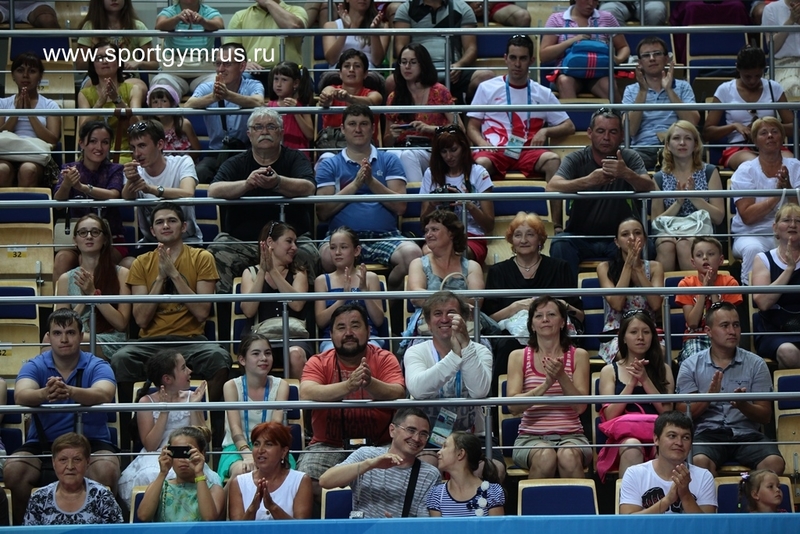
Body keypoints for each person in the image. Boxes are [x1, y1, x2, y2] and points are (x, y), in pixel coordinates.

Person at [109, 202, 232, 426]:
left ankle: (210, 429)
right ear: (153, 230)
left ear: (184, 226)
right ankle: (127, 432)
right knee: (120, 359)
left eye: (172, 220)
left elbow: (202, 312)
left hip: (191, 341)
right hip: (150, 343)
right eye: (159, 222)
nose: (165, 225)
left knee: (219, 358)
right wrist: (160, 278)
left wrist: (174, 274)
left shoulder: (202, 257)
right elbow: (141, 319)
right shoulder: (141, 263)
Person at [3, 309, 118, 525]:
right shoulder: (34, 365)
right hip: (43, 444)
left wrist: (69, 391)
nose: (64, 339)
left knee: (107, 468)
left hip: (92, 442)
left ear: (81, 335)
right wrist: (45, 394)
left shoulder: (97, 364)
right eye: (57, 333)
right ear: (48, 336)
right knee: (13, 470)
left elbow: (104, 393)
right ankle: (27, 529)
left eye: (70, 333)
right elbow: (21, 394)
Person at [298, 304, 406, 500]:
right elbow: (306, 392)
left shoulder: (384, 358)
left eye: (355, 326)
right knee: (306, 480)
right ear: (331, 335)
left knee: (399, 476)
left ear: (368, 331)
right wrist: (348, 386)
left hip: (380, 445)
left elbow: (398, 391)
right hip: (328, 445)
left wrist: (369, 382)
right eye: (341, 327)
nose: (348, 333)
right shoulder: (318, 361)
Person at [467, 34, 575, 230]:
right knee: (479, 165)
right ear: (505, 58)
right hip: (495, 150)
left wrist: (546, 131)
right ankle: (478, 225)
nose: (517, 64)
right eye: (513, 58)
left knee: (553, 161)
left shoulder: (543, 93)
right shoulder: (486, 88)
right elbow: (472, 126)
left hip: (528, 150)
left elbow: (569, 126)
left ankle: (557, 226)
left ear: (531, 60)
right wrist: (481, 143)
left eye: (523, 58)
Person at [207, 107, 318, 295]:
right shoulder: (236, 162)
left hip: (290, 242)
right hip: (243, 243)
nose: (264, 132)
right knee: (215, 252)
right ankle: (227, 312)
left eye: (271, 127)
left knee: (309, 253)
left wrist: (278, 182)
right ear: (249, 134)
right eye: (258, 127)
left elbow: (309, 187)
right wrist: (246, 184)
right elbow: (213, 190)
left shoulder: (295, 158)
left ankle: (304, 310)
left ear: (281, 133)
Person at [316, 104, 421, 291]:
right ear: (342, 129)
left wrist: (371, 182)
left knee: (413, 255)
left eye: (363, 124)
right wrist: (356, 185)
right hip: (341, 238)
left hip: (386, 236)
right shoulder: (329, 164)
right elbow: (322, 212)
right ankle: (343, 303)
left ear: (373, 129)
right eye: (352, 124)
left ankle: (387, 298)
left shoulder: (389, 160)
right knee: (327, 256)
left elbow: (400, 207)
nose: (358, 129)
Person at [676, 302, 786, 477]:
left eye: (736, 325)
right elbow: (683, 414)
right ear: (708, 331)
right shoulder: (690, 365)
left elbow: (765, 416)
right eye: (725, 325)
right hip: (707, 434)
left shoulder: (756, 364)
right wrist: (708, 398)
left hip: (747, 434)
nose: (732, 331)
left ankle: (749, 492)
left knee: (775, 463)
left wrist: (743, 406)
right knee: (698, 463)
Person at [547, 107, 654, 286]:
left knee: (646, 245)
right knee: (559, 244)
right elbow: (552, 187)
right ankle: (568, 300)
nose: (606, 137)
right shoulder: (576, 158)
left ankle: (634, 300)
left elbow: (650, 187)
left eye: (613, 132)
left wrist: (626, 173)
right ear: (590, 133)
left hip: (619, 237)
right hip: (579, 236)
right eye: (600, 131)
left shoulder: (629, 157)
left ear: (621, 135)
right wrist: (588, 181)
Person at [403, 292, 504, 478]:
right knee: (426, 470)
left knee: (493, 470)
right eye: (437, 313)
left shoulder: (481, 349)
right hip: (428, 436)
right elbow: (418, 390)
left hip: (473, 434)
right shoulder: (415, 351)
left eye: (451, 313)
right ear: (428, 321)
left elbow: (480, 391)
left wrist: (466, 346)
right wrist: (455, 357)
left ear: (464, 318)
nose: (444, 319)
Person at [483, 212, 583, 381]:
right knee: (507, 346)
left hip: (553, 333)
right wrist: (514, 308)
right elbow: (488, 320)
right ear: (511, 240)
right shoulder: (497, 272)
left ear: (540, 239)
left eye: (530, 234)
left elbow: (580, 316)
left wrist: (562, 305)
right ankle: (502, 396)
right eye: (518, 235)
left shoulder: (560, 267)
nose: (523, 240)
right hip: (511, 338)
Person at [506, 297, 591, 479]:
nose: (545, 319)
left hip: (572, 436)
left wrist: (561, 376)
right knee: (545, 457)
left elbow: (580, 407)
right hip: (530, 438)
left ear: (563, 322)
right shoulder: (517, 356)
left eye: (551, 314)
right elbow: (513, 407)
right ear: (532, 325)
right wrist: (546, 385)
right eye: (539, 316)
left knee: (568, 457)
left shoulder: (579, 355)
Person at [118, 350, 215, 507]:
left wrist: (193, 406)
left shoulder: (191, 397)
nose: (190, 371)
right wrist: (164, 411)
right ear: (167, 379)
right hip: (157, 454)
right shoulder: (146, 402)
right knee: (152, 474)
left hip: (188, 454)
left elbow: (203, 438)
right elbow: (151, 445)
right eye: (183, 368)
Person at [318, 407, 441, 518]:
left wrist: (397, 528)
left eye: (423, 434)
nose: (416, 438)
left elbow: (424, 525)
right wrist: (370, 465)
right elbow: (325, 481)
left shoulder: (429, 474)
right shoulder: (366, 455)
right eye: (411, 430)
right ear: (392, 430)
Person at [597, 311, 674, 481]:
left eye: (646, 332)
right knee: (633, 446)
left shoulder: (664, 369)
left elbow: (667, 413)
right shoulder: (609, 371)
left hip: (658, 434)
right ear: (623, 338)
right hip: (623, 438)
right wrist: (632, 382)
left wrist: (645, 380)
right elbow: (610, 415)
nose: (640, 337)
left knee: (666, 447)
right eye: (633, 332)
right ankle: (629, 498)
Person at [46, 214, 130, 361]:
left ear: (105, 239)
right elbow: (61, 325)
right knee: (52, 339)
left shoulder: (122, 274)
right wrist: (83, 300)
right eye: (83, 232)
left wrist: (93, 294)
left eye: (95, 232)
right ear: (75, 240)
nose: (89, 236)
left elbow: (121, 324)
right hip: (74, 335)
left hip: (109, 339)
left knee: (62, 341)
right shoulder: (66, 278)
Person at [52, 121, 125, 283]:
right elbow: (58, 205)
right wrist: (67, 184)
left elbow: (113, 195)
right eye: (93, 141)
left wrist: (83, 187)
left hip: (110, 239)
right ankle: (60, 300)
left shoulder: (115, 169)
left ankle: (97, 299)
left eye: (105, 142)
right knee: (63, 259)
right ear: (81, 143)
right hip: (77, 239)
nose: (99, 147)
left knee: (89, 260)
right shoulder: (69, 168)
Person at [730, 117, 800, 285]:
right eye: (763, 133)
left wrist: (788, 188)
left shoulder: (796, 167)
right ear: (755, 141)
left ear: (782, 138)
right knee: (753, 249)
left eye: (774, 131)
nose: (770, 135)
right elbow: (747, 217)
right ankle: (753, 296)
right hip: (753, 234)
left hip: (791, 232)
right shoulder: (745, 170)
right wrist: (777, 194)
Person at [185, 43, 266, 184]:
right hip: (216, 153)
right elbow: (188, 105)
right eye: (218, 64)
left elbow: (259, 102)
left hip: (246, 152)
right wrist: (213, 97)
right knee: (198, 175)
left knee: (258, 177)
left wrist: (228, 95)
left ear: (242, 66)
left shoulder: (253, 85)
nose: (221, 69)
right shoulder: (207, 87)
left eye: (227, 64)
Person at [121, 119, 203, 259]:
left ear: (160, 144)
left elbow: (188, 193)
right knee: (127, 264)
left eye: (142, 146)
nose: (137, 153)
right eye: (133, 148)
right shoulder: (135, 171)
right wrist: (130, 179)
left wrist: (151, 189)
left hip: (187, 242)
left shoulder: (183, 162)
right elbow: (126, 198)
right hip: (151, 244)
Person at [703, 46, 794, 171]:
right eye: (747, 76)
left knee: (790, 163)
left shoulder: (774, 88)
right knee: (754, 166)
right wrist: (734, 126)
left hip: (772, 145)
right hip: (738, 148)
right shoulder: (725, 90)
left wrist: (768, 127)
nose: (752, 81)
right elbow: (707, 133)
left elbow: (794, 128)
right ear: (738, 69)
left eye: (758, 76)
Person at [240, 221, 311, 379]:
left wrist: (273, 271)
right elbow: (249, 311)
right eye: (289, 241)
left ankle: (299, 396)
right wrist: (262, 272)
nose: (294, 247)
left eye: (295, 242)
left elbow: (297, 304)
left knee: (296, 355)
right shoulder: (250, 273)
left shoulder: (299, 273)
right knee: (256, 355)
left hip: (293, 337)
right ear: (270, 242)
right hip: (260, 337)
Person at [651, 121, 725, 271]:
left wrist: (693, 197)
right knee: (666, 245)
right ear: (667, 145)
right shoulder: (659, 177)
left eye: (688, 138)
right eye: (676, 138)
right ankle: (663, 287)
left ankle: (695, 287)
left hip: (701, 231)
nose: (682, 143)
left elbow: (718, 217)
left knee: (685, 244)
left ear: (696, 145)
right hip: (669, 231)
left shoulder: (709, 172)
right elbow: (656, 223)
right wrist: (678, 203)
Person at [391, 0, 495, 104]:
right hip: (418, 69)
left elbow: (471, 48)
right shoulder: (406, 9)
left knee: (486, 77)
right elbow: (401, 46)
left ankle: (469, 111)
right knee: (391, 82)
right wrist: (417, 67)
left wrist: (460, 64)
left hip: (452, 71)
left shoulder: (462, 8)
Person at [384, 43, 460, 184]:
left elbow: (459, 128)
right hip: (401, 147)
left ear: (423, 65)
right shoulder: (393, 97)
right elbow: (386, 142)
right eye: (403, 62)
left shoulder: (440, 92)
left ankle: (419, 195)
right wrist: (392, 136)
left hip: (432, 149)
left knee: (407, 156)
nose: (407, 67)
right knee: (391, 155)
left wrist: (431, 129)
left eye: (413, 62)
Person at [220, 333, 289, 480]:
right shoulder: (231, 386)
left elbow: (275, 425)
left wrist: (262, 452)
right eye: (256, 354)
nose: (263, 358)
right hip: (237, 448)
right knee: (242, 472)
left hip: (271, 445)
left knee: (278, 473)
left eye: (267, 353)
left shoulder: (282, 385)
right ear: (242, 360)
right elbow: (235, 428)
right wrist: (247, 454)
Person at [623, 38, 700, 170]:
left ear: (666, 59)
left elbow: (692, 122)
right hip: (643, 149)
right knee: (625, 164)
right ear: (639, 63)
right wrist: (642, 91)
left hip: (677, 147)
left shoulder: (683, 87)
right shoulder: (631, 90)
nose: (652, 59)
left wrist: (669, 90)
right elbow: (630, 130)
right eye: (646, 55)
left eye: (657, 54)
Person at [619, 410, 717, 514]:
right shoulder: (634, 474)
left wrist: (685, 495)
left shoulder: (704, 477)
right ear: (656, 439)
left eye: (686, 437)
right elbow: (628, 521)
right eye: (672, 436)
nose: (679, 443)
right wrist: (667, 500)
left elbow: (707, 523)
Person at [420, 126, 493, 264]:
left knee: (454, 253)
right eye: (444, 151)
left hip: (471, 236)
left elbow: (489, 226)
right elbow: (422, 223)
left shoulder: (479, 173)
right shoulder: (431, 174)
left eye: (453, 150)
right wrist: (432, 205)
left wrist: (468, 204)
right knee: (429, 252)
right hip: (438, 234)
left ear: (463, 148)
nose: (449, 156)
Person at [597, 218, 664, 363]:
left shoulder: (655, 267)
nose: (632, 238)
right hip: (617, 331)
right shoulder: (604, 268)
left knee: (660, 352)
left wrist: (638, 269)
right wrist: (628, 266)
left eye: (637, 233)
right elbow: (617, 304)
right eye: (625, 234)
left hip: (646, 329)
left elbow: (656, 304)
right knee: (627, 354)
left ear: (644, 239)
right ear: (617, 242)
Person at [23, 433, 123, 525]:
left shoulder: (102, 496)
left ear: (87, 462)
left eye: (77, 459)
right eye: (63, 460)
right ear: (53, 463)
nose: (70, 466)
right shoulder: (39, 498)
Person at [314, 226, 386, 352]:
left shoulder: (370, 278)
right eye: (333, 248)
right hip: (333, 341)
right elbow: (321, 321)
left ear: (356, 251)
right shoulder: (322, 280)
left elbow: (378, 320)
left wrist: (364, 291)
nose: (337, 252)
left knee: (374, 352)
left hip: (368, 339)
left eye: (343, 247)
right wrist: (342, 299)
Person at [540, 0, 630, 101]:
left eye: (595, 0)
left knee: (609, 85)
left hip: (599, 73)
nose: (591, 3)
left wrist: (617, 59)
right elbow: (544, 56)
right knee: (564, 81)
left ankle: (614, 111)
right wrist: (571, 41)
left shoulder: (607, 18)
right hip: (568, 74)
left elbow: (623, 47)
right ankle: (572, 112)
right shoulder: (556, 19)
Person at [675, 237, 743, 364]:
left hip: (724, 336)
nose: (705, 258)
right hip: (696, 338)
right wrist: (703, 290)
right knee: (697, 363)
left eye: (711, 254)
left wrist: (712, 288)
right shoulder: (686, 284)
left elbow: (725, 319)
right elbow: (692, 323)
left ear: (721, 260)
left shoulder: (730, 282)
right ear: (693, 262)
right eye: (699, 255)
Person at [137, 426, 225, 522]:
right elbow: (143, 516)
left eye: (188, 453)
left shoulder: (214, 490)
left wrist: (199, 473)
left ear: (202, 454)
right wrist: (163, 473)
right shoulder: (161, 487)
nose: (182, 459)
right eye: (177, 453)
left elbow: (209, 518)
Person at [228, 422, 313, 520]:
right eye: (256, 444)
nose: (260, 450)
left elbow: (301, 527)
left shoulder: (301, 481)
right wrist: (252, 509)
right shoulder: (238, 483)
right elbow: (237, 528)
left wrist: (272, 507)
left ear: (283, 451)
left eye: (268, 444)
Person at [77, 42, 145, 164]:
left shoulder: (134, 90)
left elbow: (138, 128)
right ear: (93, 65)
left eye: (109, 57)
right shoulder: (84, 94)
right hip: (93, 155)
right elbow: (83, 130)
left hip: (126, 155)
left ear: (119, 63)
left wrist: (117, 100)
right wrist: (100, 102)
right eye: (99, 58)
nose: (104, 61)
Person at [0, 52, 61, 187]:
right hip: (5, 153)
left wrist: (30, 113)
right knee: (1, 171)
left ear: (40, 76)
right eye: (20, 70)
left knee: (28, 170)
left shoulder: (50, 105)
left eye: (32, 71)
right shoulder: (2, 103)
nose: (25, 75)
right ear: (13, 75)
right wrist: (17, 112)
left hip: (35, 155)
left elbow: (53, 140)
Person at [752, 203, 800, 369]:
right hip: (774, 330)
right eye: (787, 220)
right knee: (789, 353)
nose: (793, 225)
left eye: (798, 221)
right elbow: (763, 302)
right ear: (775, 228)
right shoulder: (763, 259)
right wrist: (789, 269)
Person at [75, 0, 156, 88]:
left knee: (137, 88)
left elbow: (154, 65)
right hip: (98, 77)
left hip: (129, 77)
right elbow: (79, 66)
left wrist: (139, 63)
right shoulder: (90, 27)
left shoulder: (137, 27)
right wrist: (97, 56)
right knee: (96, 86)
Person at [151, 0, 223, 96]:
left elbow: (220, 25)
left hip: (204, 72)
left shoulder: (209, 12)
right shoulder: (170, 11)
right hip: (173, 73)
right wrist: (177, 18)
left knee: (218, 84)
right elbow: (159, 26)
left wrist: (203, 21)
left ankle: (197, 102)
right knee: (160, 83)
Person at [427, 432, 505, 517]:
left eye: (445, 446)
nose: (438, 452)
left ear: (460, 454)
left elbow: (496, 525)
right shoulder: (437, 494)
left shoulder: (492, 492)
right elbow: (438, 526)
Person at [320, 0, 388, 94]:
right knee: (332, 80)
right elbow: (331, 59)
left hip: (368, 74)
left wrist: (373, 32)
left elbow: (377, 61)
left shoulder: (382, 26)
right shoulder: (331, 26)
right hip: (338, 72)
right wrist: (345, 30)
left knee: (371, 80)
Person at [317, 49, 383, 145]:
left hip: (364, 148)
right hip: (333, 147)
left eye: (357, 66)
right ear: (340, 73)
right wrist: (326, 99)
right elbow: (327, 92)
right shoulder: (330, 89)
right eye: (347, 66)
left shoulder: (374, 95)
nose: (351, 70)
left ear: (365, 74)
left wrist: (349, 98)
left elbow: (372, 101)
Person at [224, 0, 308, 74]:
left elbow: (295, 27)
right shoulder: (240, 16)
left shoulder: (296, 11)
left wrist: (268, 2)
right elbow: (228, 52)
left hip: (289, 73)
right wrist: (244, 64)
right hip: (253, 73)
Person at [267, 62, 314, 152]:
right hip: (275, 154)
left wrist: (295, 111)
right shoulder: (269, 106)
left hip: (298, 154)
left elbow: (310, 135)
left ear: (295, 83)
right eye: (276, 79)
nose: (278, 84)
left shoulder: (302, 106)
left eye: (284, 80)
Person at [146, 84, 201, 158]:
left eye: (164, 101)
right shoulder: (150, 128)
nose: (159, 106)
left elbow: (197, 150)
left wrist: (182, 163)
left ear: (172, 104)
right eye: (155, 102)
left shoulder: (183, 124)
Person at [762, 0, 800, 99]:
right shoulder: (771, 9)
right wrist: (790, 21)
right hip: (782, 64)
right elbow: (772, 48)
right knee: (792, 87)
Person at [600, 0, 666, 25]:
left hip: (646, 2)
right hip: (615, 2)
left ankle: (651, 44)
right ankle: (621, 47)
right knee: (608, 11)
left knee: (656, 11)